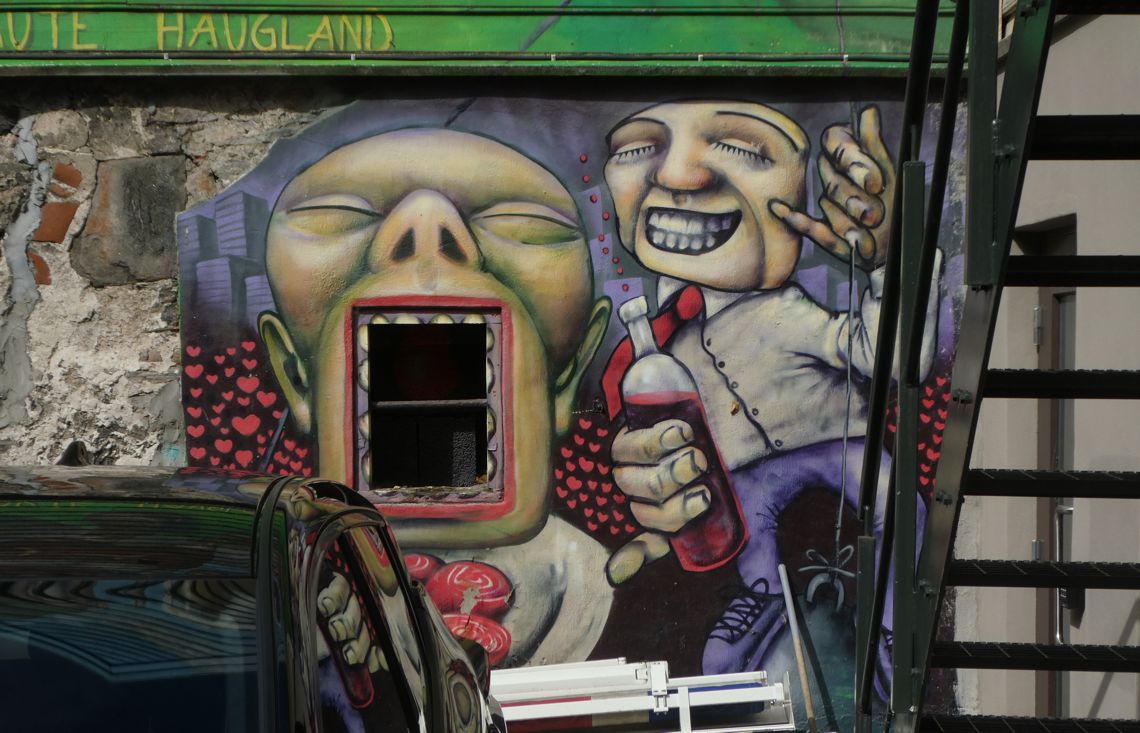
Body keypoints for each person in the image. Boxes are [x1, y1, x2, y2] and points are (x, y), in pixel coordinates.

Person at [600, 100, 938, 682]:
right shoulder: (668, 347)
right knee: (747, 522)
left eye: (742, 149)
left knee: (893, 499)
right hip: (750, 470)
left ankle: (891, 623)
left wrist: (889, 268)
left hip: (838, 443)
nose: (677, 175)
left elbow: (880, 354)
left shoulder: (786, 311)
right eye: (636, 149)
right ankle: (762, 600)